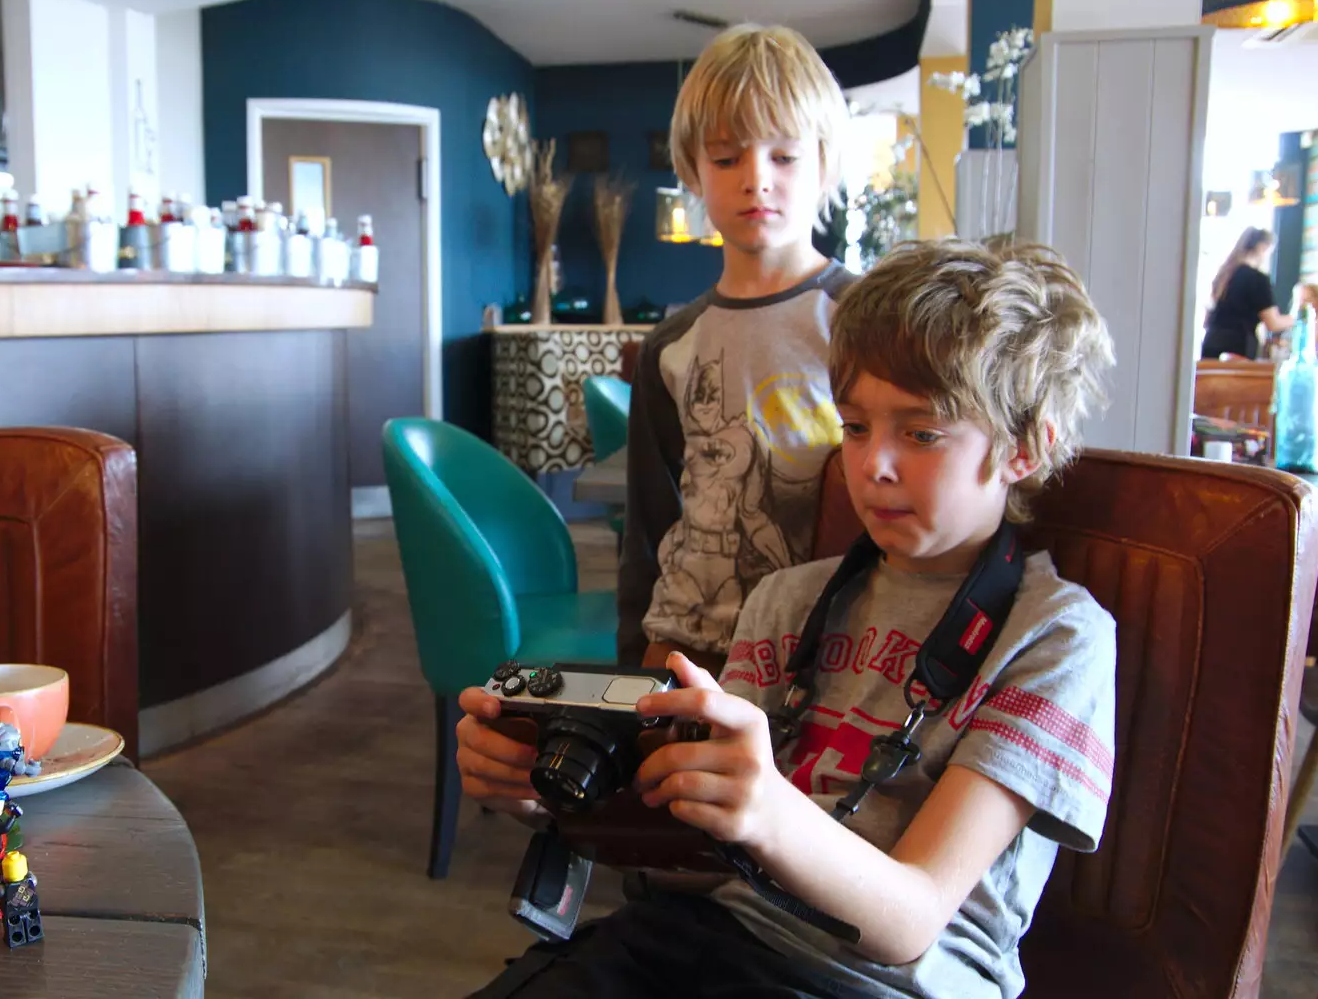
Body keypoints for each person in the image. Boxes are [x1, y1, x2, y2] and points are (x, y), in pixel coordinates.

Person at [457, 238, 1118, 999]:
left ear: (1026, 447)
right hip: (696, 936)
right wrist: (542, 792)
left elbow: (913, 918)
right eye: (857, 426)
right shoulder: (786, 600)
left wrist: (765, 809)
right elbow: (696, 842)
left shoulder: (1057, 634)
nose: (874, 466)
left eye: (922, 433)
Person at [618, 23, 858, 672]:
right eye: (727, 158)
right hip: (690, 651)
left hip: (828, 649)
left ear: (825, 162)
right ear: (694, 172)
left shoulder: (865, 320)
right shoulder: (670, 347)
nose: (757, 180)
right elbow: (648, 524)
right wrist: (630, 667)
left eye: (784, 156)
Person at [1201, 227, 1292, 359]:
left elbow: (1207, 318)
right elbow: (1273, 323)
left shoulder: (1224, 275)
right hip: (1238, 346)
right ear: (1262, 247)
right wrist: (1299, 319)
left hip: (1211, 343)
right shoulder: (1257, 278)